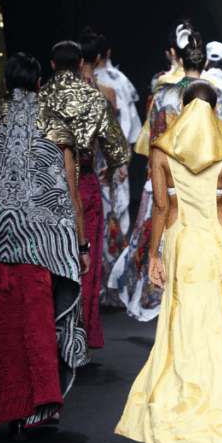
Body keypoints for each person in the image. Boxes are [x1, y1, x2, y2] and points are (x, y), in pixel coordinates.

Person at [115, 80, 222, 443]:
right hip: (217, 246)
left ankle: (176, 409)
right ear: (215, 110)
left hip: (181, 244)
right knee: (220, 325)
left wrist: (153, 256)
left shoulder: (163, 148)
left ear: (183, 108)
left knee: (181, 327)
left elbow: (162, 210)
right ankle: (220, 411)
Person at [0, 53, 91, 440]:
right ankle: (41, 410)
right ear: (39, 84)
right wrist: (80, 245)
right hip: (41, 246)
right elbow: (69, 195)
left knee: (0, 325)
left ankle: (12, 408)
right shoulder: (56, 127)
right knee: (39, 322)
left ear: (4, 85)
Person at [110, 24, 222, 321]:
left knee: (158, 239)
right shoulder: (218, 98)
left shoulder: (163, 94)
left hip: (166, 179)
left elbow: (155, 137)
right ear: (204, 63)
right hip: (202, 184)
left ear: (178, 58)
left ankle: (159, 299)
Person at [39, 41, 130, 350]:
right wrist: (112, 167)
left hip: (44, 187)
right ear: (80, 64)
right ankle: (79, 336)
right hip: (85, 183)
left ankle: (47, 332)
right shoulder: (94, 98)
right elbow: (117, 148)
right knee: (84, 261)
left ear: (52, 64)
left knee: (47, 258)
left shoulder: (39, 99)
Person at [77, 29, 140, 294]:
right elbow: (129, 127)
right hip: (111, 163)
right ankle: (114, 286)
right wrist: (122, 161)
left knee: (87, 223)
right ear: (104, 54)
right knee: (116, 219)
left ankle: (94, 286)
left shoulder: (72, 89)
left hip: (81, 167)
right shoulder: (116, 84)